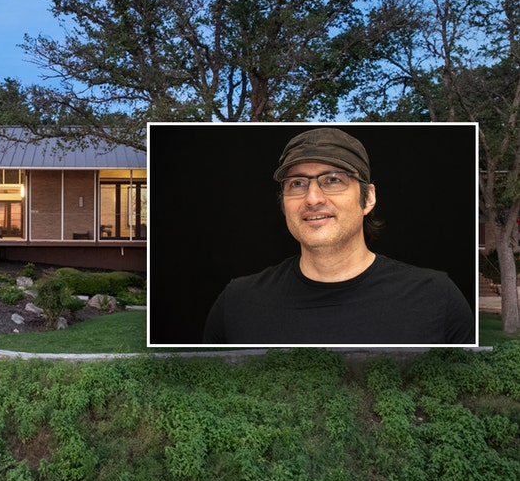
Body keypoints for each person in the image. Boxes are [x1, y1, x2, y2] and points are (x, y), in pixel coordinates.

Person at [202, 127, 475, 345]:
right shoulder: (237, 303)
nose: (312, 198)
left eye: (333, 179)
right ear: (283, 203)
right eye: (297, 183)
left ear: (368, 198)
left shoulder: (437, 298)